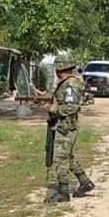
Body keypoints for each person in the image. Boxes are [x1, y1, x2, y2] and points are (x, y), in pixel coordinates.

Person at [43, 59, 97, 203]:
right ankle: (85, 182)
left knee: (60, 159)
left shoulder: (70, 85)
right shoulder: (68, 83)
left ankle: (63, 192)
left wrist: (52, 109)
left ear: (60, 70)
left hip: (65, 127)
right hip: (63, 125)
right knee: (67, 157)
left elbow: (71, 107)